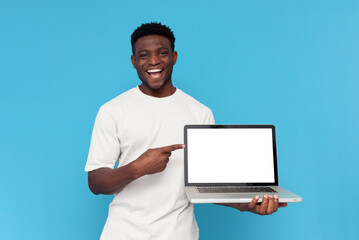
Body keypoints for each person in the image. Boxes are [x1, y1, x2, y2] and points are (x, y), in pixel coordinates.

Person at [85, 22, 287, 240]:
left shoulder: (200, 113)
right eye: (144, 55)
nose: (153, 61)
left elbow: (206, 186)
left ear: (174, 57)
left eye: (162, 53)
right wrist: (138, 167)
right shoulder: (112, 111)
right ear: (134, 61)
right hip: (124, 234)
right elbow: (96, 182)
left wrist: (247, 205)